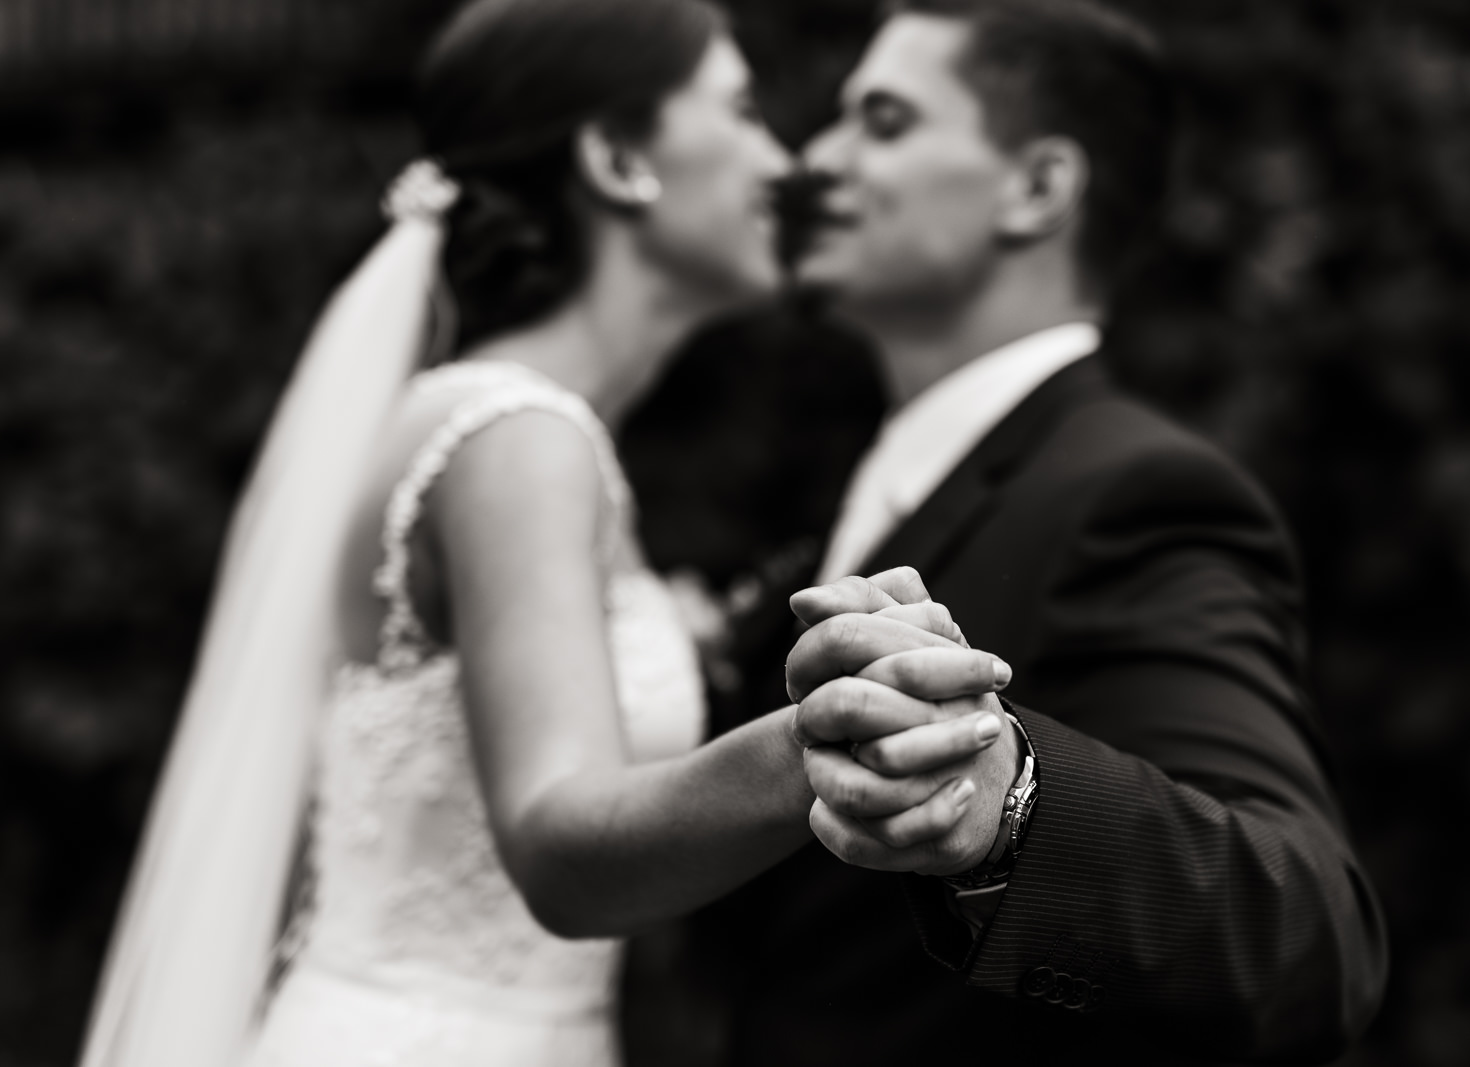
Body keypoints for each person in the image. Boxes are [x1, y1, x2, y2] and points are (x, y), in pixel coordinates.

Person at [76, 3, 1013, 1066]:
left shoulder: (499, 427)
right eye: (742, 110)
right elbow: (561, 842)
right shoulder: (518, 438)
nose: (781, 161)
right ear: (617, 158)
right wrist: (828, 733)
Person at [693, 2, 1390, 1063]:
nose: (815, 160)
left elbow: (1309, 938)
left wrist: (1004, 796)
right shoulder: (874, 493)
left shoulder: (1134, 491)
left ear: (1037, 187)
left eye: (881, 122)